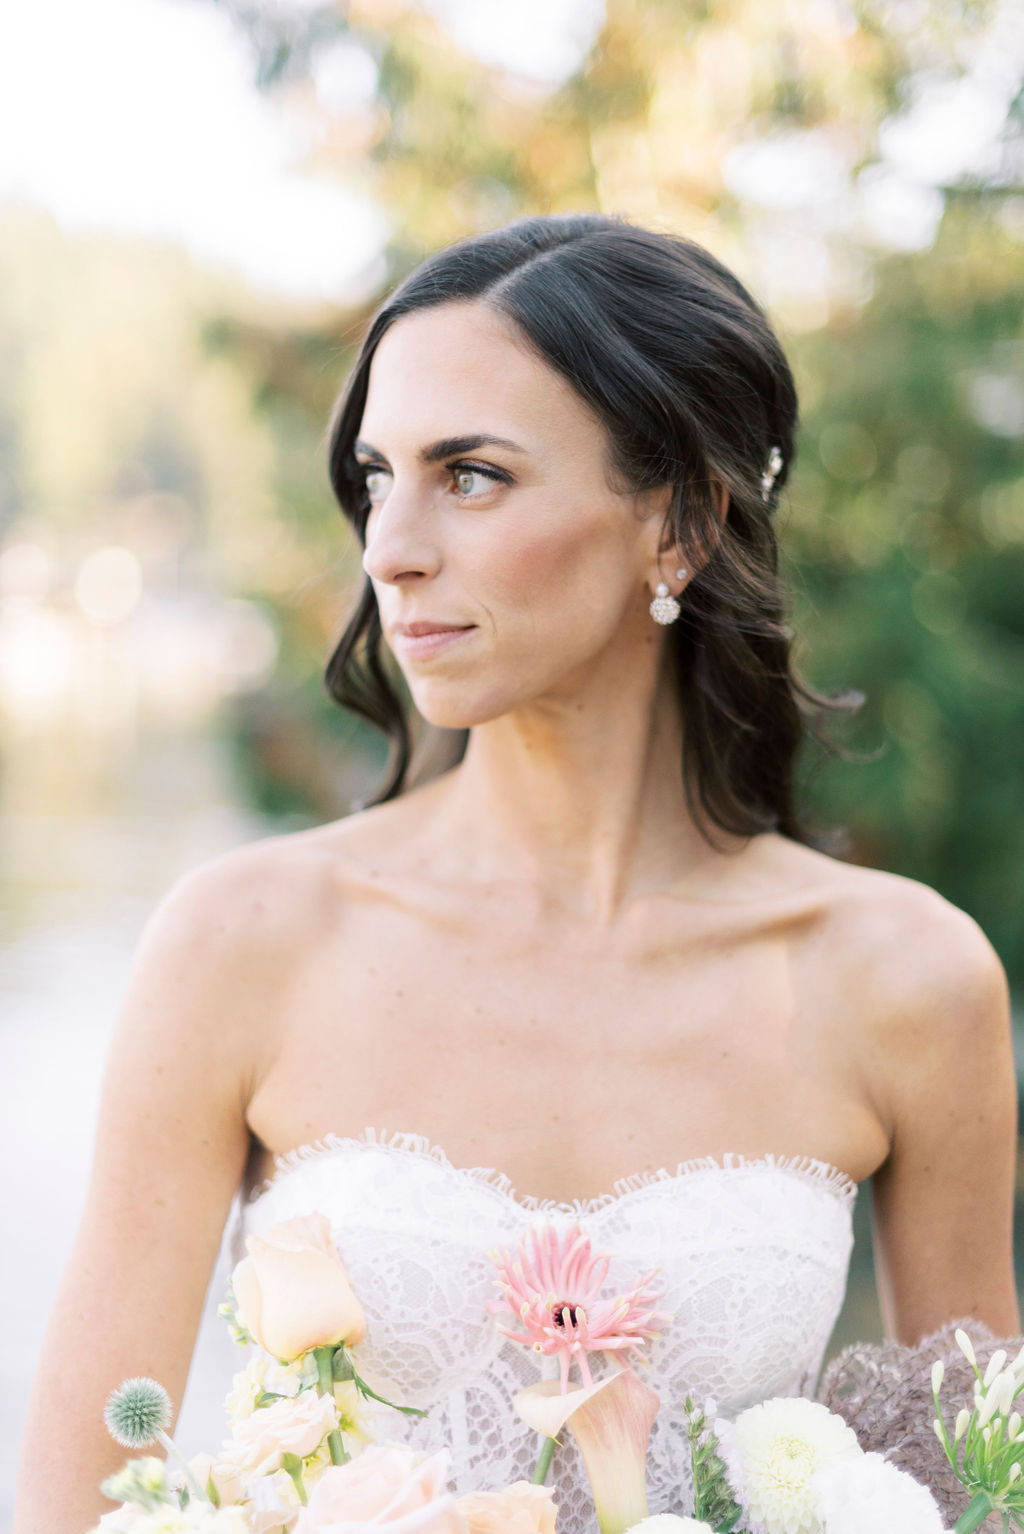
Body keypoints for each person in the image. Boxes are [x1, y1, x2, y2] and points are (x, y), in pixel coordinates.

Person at [14, 214, 1019, 1533]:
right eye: (378, 477)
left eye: (472, 474)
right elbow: (80, 1502)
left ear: (682, 524)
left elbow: (983, 1494)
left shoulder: (907, 977)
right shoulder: (245, 939)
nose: (390, 549)